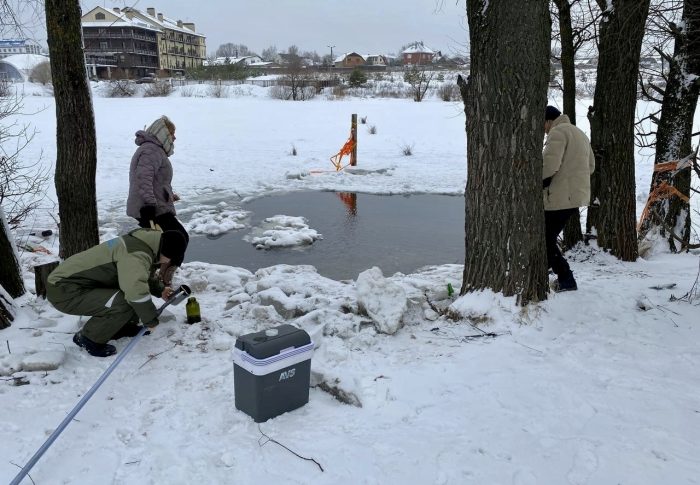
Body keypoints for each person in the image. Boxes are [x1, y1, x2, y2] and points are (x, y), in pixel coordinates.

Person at [46, 228, 187, 357]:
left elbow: (138, 276)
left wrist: (160, 289)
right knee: (124, 301)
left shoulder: (143, 244)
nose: (167, 263)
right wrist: (150, 319)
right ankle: (88, 338)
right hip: (64, 290)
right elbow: (135, 292)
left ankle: (120, 327)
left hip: (76, 285)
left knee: (127, 294)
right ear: (167, 253)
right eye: (170, 260)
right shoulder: (136, 254)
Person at [542, 105, 595, 292]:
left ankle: (566, 279)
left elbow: (548, 166)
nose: (544, 130)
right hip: (575, 197)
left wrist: (539, 182)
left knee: (544, 240)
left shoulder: (557, 133)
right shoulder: (579, 133)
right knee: (547, 238)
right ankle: (547, 270)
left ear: (549, 120)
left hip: (559, 199)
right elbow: (591, 166)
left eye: (544, 125)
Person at [126, 115, 189, 260]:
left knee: (167, 242)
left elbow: (157, 181)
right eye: (172, 134)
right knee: (177, 239)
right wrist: (149, 204)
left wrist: (169, 195)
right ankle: (162, 276)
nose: (174, 138)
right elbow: (143, 178)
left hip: (156, 205)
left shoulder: (155, 150)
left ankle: (159, 274)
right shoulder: (151, 150)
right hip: (151, 209)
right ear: (162, 133)